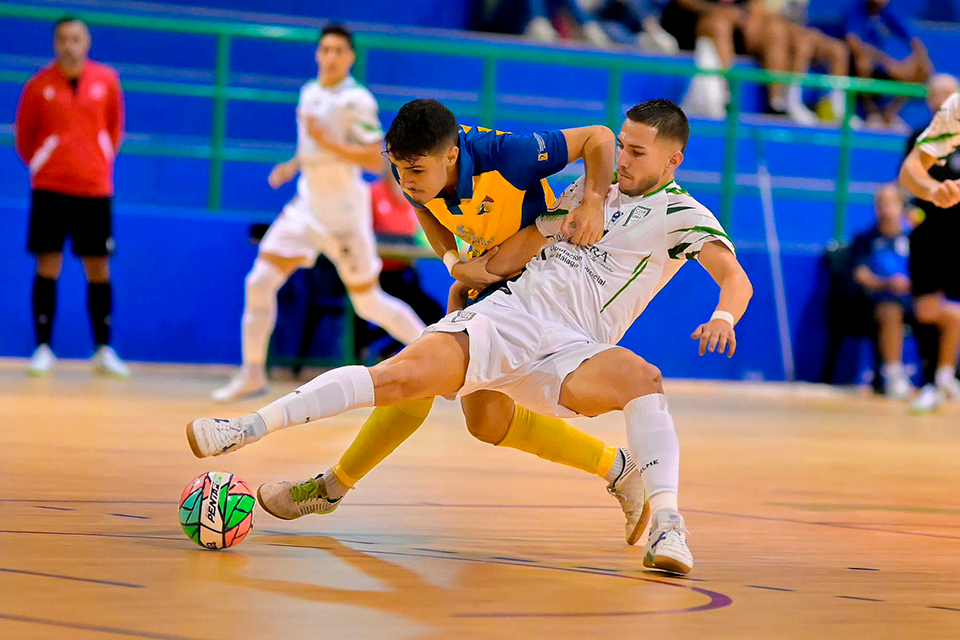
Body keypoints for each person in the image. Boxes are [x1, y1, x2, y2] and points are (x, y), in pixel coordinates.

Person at [186, 100, 754, 575]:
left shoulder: (682, 214)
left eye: (638, 152)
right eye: (624, 146)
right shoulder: (584, 186)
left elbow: (735, 278)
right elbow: (533, 232)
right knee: (406, 379)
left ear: (673, 159)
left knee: (643, 379)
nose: (623, 159)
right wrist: (471, 273)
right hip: (510, 315)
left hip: (577, 347)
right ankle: (248, 429)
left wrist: (724, 317)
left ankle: (669, 525)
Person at [211, 25, 427, 402]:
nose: (330, 57)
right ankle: (251, 374)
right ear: (317, 54)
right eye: (325, 49)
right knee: (259, 282)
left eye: (339, 50)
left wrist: (327, 141)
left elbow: (376, 159)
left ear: (351, 57)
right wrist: (293, 165)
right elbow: (309, 145)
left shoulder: (357, 101)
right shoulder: (309, 92)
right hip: (305, 208)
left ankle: (433, 355)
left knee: (368, 302)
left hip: (343, 215)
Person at [14, 17, 128, 378]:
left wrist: (96, 161)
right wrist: (44, 164)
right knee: (48, 264)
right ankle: (44, 347)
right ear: (54, 43)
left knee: (98, 267)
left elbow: (115, 127)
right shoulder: (38, 85)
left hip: (94, 189)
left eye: (76, 38)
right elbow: (24, 138)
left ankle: (103, 349)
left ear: (87, 41)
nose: (69, 45)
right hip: (49, 189)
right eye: (63, 38)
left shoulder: (107, 80)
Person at [899, 85, 960, 412]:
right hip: (933, 233)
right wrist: (933, 190)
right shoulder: (955, 113)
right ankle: (937, 379)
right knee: (925, 310)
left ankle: (945, 376)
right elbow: (911, 170)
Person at [849, 184, 913, 398]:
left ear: (902, 207)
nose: (886, 208)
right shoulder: (865, 239)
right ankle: (893, 375)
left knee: (952, 315)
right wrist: (887, 283)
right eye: (881, 203)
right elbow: (861, 275)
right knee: (890, 310)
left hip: (913, 299)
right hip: (877, 301)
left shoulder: (912, 237)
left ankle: (945, 377)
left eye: (891, 203)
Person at [845, 0, 932, 129]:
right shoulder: (856, 11)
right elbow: (852, 42)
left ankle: (889, 114)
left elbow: (913, 40)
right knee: (863, 62)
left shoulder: (887, 13)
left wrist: (920, 56)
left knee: (922, 70)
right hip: (855, 66)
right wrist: (883, 60)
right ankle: (871, 113)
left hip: (881, 64)